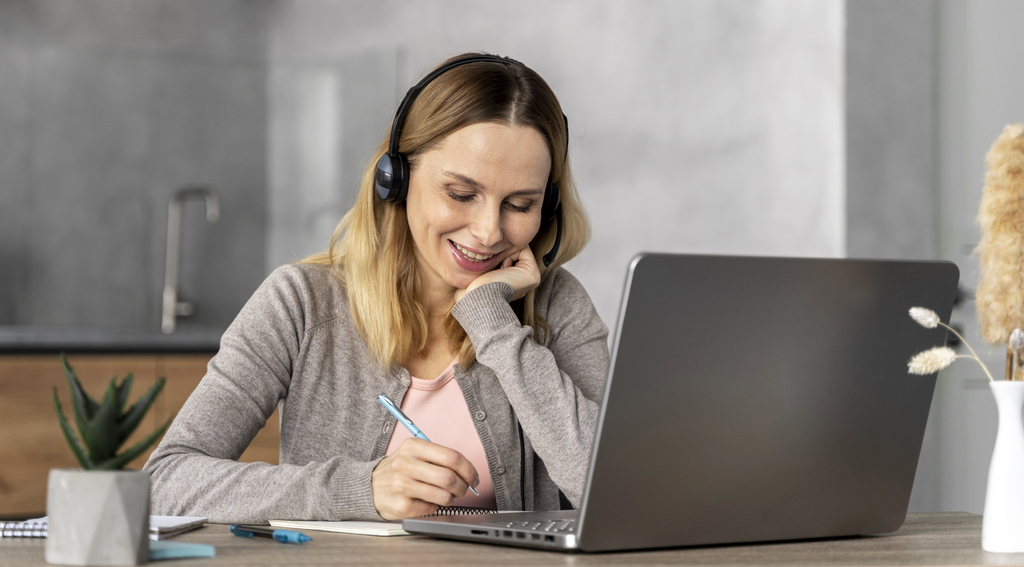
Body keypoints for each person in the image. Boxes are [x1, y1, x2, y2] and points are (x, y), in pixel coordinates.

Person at [144, 53, 609, 523]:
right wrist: (361, 489)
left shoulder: (557, 304)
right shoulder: (300, 303)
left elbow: (612, 493)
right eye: (461, 194)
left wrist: (493, 320)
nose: (489, 231)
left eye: (519, 204)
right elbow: (164, 482)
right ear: (396, 178)